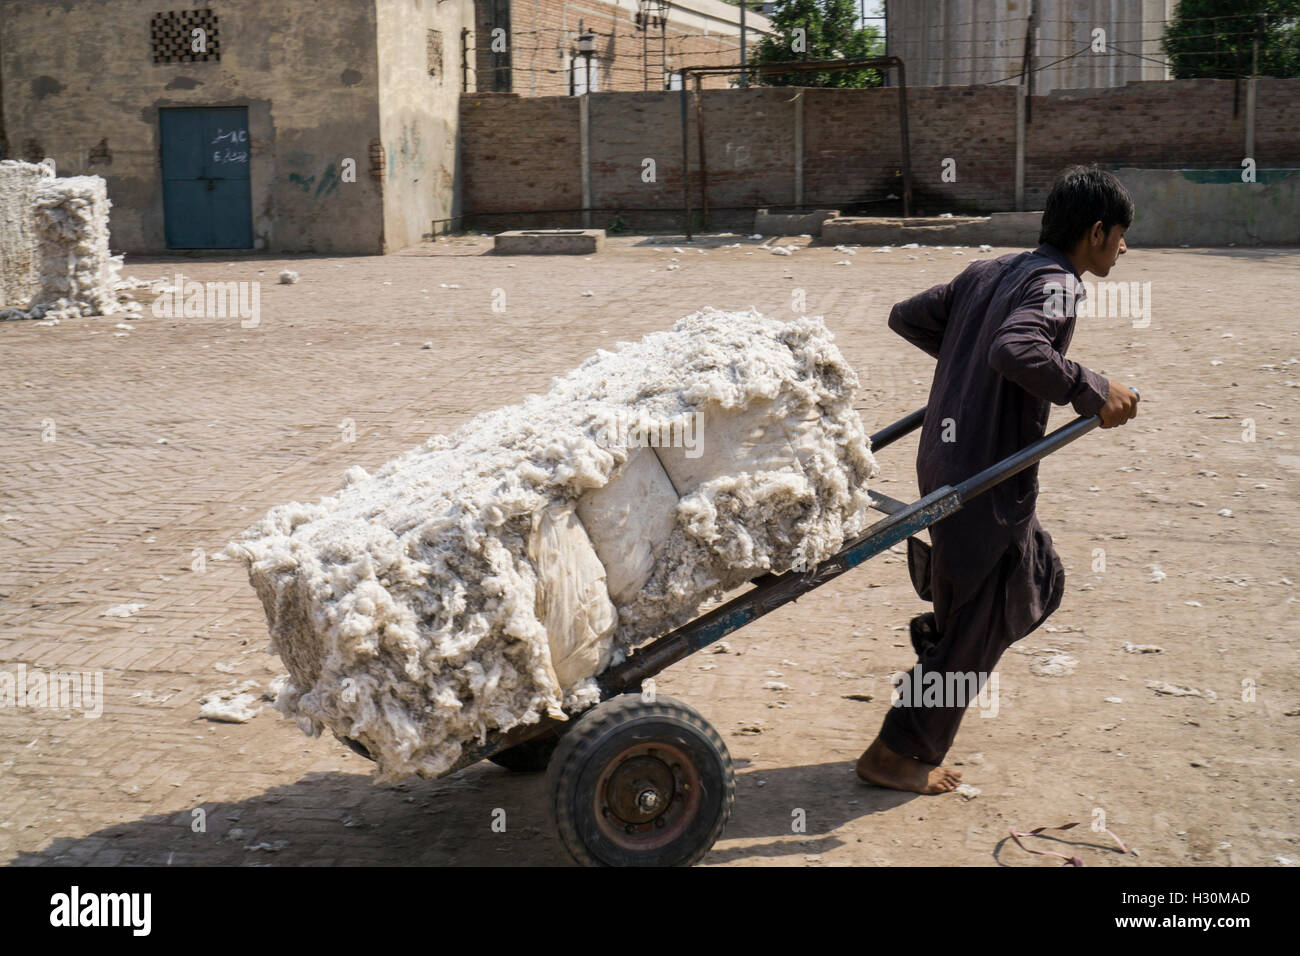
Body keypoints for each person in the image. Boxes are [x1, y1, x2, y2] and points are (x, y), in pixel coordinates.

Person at [856, 165, 1141, 795]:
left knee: (1037, 575)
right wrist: (1089, 389)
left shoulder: (991, 269)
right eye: (1120, 235)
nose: (1124, 248)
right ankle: (900, 752)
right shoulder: (1061, 283)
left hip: (951, 461)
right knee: (991, 609)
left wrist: (969, 355)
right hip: (984, 475)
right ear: (1096, 231)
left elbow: (909, 316)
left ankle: (941, 643)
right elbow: (1016, 349)